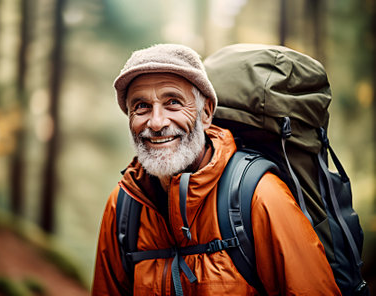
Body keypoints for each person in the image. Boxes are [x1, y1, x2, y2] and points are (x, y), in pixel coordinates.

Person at [92, 44, 340, 295]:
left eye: (173, 102)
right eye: (141, 106)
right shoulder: (124, 206)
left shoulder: (259, 197)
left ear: (206, 113)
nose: (156, 123)